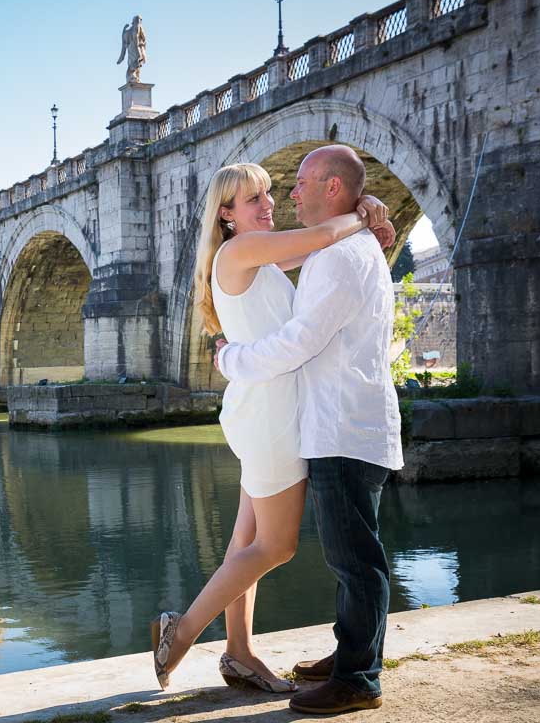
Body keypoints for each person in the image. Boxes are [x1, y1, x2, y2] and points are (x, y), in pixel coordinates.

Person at [151, 160, 395, 694]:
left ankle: (239, 652)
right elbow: (326, 233)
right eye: (254, 199)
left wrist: (361, 216)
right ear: (227, 214)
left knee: (245, 539)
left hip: (267, 407)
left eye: (268, 194)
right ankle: (183, 630)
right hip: (271, 415)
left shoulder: (260, 257)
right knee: (277, 546)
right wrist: (362, 210)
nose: (268, 204)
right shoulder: (240, 251)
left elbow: (323, 247)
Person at [214, 145, 404, 715]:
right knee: (351, 558)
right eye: (268, 193)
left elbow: (299, 343)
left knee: (356, 561)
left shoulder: (342, 255)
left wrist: (229, 360)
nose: (287, 194)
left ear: (330, 189)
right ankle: (352, 652)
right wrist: (364, 209)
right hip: (335, 422)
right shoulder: (335, 246)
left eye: (298, 183)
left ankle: (359, 679)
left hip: (344, 427)